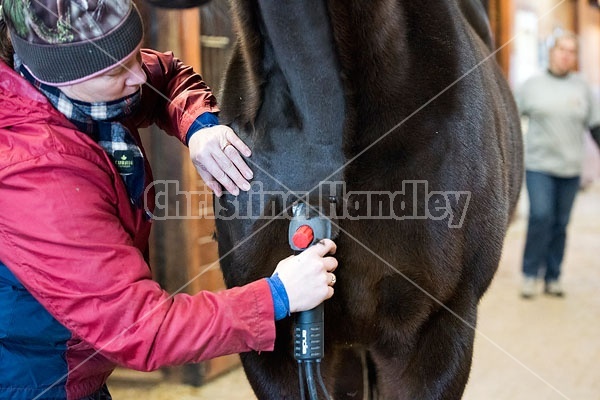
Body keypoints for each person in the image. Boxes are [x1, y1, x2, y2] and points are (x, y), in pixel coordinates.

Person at [0, 1, 338, 399]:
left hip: (75, 368)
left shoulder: (75, 87)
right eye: (117, 71)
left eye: (135, 55)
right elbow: (143, 329)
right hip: (33, 384)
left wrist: (199, 125)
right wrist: (278, 295)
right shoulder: (36, 179)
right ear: (58, 78)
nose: (138, 75)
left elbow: (163, 75)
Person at [516, 31, 600, 298]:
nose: (566, 55)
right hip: (539, 165)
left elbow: (595, 126)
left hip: (570, 168)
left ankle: (553, 275)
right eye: (562, 49)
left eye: (572, 51)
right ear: (551, 52)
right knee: (540, 216)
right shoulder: (531, 85)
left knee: (560, 223)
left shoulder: (582, 87)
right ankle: (530, 274)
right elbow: (511, 121)